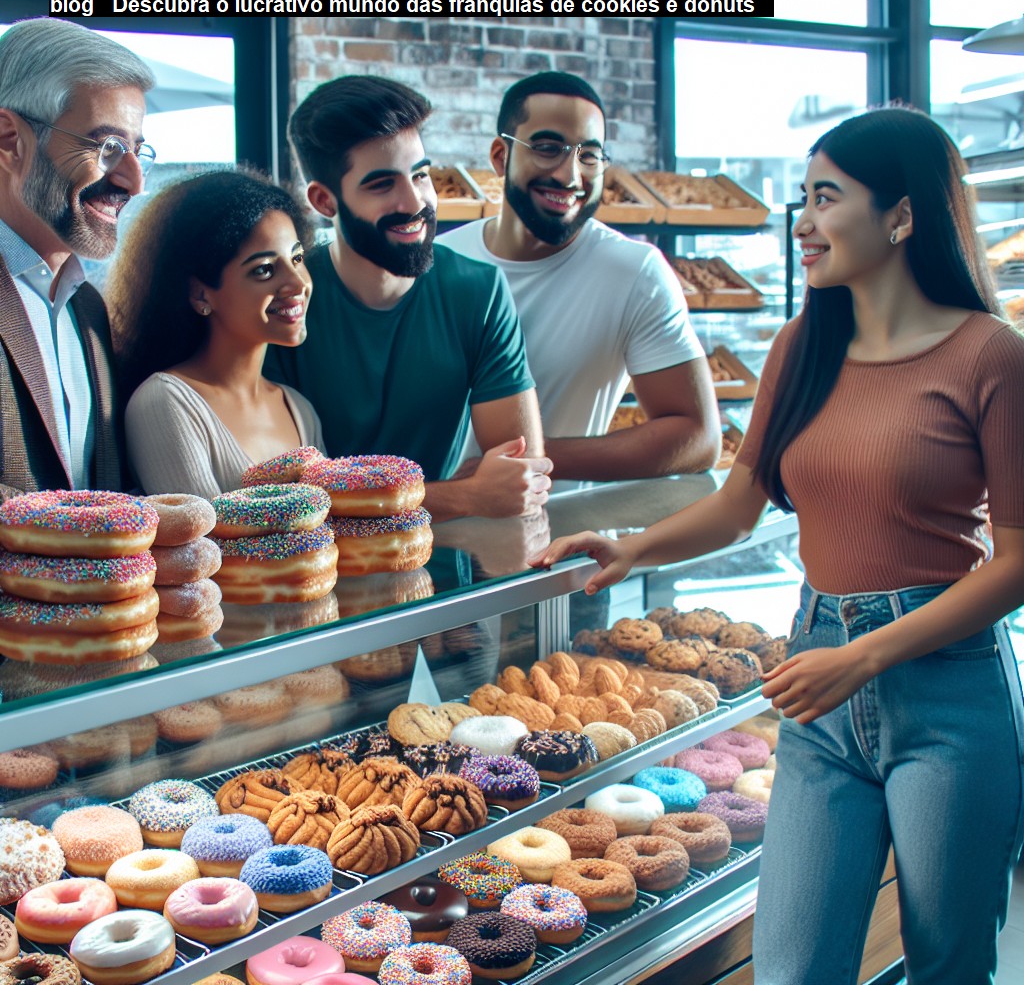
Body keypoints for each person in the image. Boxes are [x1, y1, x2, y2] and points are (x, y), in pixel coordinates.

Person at [532, 106, 1024, 985]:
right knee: (794, 968)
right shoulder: (803, 347)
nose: (802, 220)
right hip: (819, 681)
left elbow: (1020, 562)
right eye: (801, 197)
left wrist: (867, 656)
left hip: (948, 691)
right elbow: (737, 505)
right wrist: (628, 547)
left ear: (903, 217)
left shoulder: (993, 357)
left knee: (948, 965)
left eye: (825, 197)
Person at [264, 75, 552, 522]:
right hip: (309, 571)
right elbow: (280, 501)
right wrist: (465, 496)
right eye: (382, 185)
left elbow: (519, 478)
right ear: (324, 200)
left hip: (443, 569)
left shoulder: (478, 291)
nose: (415, 201)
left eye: (421, 174)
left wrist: (356, 499)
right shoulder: (283, 300)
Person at [441, 71, 719, 491]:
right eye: (548, 148)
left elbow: (698, 438)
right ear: (500, 156)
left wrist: (532, 459)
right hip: (430, 541)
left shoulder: (634, 273)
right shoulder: (440, 262)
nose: (570, 176)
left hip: (566, 545)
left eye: (589, 155)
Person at [0, 17, 154, 499]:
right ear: (9, 139)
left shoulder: (88, 307)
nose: (134, 180)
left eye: (137, 149)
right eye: (108, 147)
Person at [109, 170, 324, 497]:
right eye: (264, 269)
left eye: (297, 258)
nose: (298, 284)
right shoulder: (164, 402)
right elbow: (207, 546)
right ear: (201, 295)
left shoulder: (300, 410)